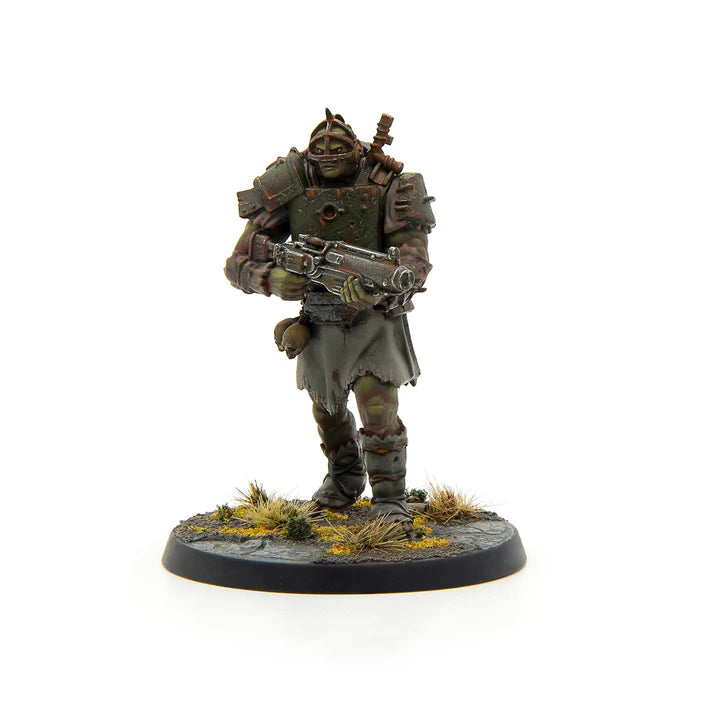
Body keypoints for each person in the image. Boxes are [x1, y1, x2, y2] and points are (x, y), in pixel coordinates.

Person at [225, 110, 435, 528]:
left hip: (375, 319)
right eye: (319, 150)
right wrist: (272, 279)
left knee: (378, 407)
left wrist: (379, 291)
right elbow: (238, 262)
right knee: (327, 410)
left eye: (338, 148)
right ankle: (344, 478)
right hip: (318, 318)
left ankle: (389, 499)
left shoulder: (391, 185)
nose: (328, 157)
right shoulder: (293, 181)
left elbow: (413, 263)